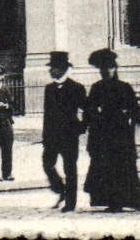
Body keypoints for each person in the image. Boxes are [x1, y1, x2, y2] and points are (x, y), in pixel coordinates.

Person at [83, 48, 140, 212]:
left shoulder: (124, 87)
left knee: (121, 168)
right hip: (102, 134)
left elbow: (135, 110)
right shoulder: (96, 88)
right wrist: (94, 116)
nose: (106, 71)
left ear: (115, 69)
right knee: (104, 167)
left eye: (109, 68)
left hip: (120, 135)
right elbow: (89, 110)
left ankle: (120, 202)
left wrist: (126, 114)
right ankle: (110, 201)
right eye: (103, 69)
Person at [41, 50, 86, 212]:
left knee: (70, 168)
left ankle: (70, 203)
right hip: (52, 136)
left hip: (69, 136)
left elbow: (87, 109)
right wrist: (45, 136)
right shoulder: (49, 89)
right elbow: (47, 115)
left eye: (53, 67)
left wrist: (81, 127)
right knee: (47, 164)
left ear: (62, 69)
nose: (50, 70)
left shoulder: (77, 88)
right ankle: (61, 189)